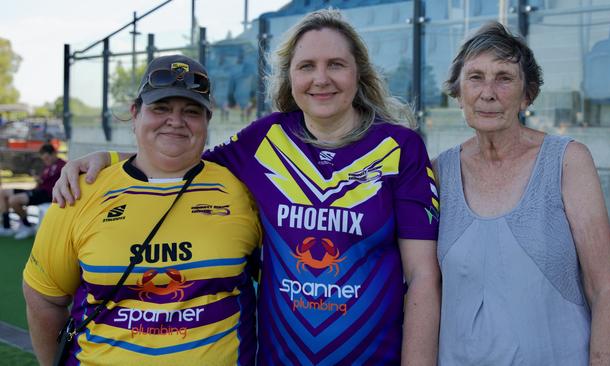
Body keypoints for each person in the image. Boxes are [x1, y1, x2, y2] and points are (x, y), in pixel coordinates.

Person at [52, 9, 440, 365]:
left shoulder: (401, 149)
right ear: (291, 77)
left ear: (359, 72)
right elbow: (182, 159)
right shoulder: (264, 140)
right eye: (307, 66)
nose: (321, 78)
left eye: (335, 65)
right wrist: (113, 159)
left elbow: (421, 274)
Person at [23, 55, 261, 365]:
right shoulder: (81, 191)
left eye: (191, 111)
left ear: (207, 121)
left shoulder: (240, 190)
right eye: (160, 108)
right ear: (135, 114)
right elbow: (44, 296)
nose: (175, 120)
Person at [433, 22, 610, 365]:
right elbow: (421, 293)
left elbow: (606, 293)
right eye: (475, 77)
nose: (488, 92)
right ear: (458, 92)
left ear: (527, 94)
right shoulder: (438, 172)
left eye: (504, 78)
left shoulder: (567, 160)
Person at [0, 143, 65, 239]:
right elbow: (42, 181)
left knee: (14, 200)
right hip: (38, 191)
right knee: (3, 193)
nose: (45, 161)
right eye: (43, 159)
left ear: (54, 153)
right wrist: (39, 180)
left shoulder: (62, 166)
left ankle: (27, 226)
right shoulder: (48, 165)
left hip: (47, 195)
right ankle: (7, 227)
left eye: (47, 158)